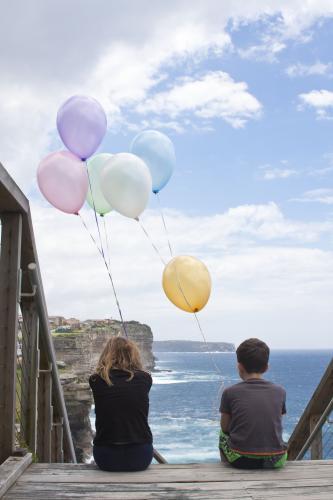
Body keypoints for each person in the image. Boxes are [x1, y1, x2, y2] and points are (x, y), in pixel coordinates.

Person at [219, 338, 288, 469]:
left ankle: (225, 469)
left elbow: (225, 427)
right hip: (276, 459)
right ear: (266, 367)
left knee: (222, 436)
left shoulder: (229, 392)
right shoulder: (280, 391)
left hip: (241, 460)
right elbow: (277, 422)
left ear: (239, 366)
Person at [89, 335, 153, 472]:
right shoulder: (145, 379)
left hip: (106, 458)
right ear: (132, 354)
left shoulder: (95, 380)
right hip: (140, 456)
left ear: (106, 354)